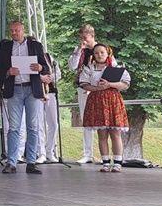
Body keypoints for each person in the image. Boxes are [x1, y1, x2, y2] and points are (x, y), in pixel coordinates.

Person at [0, 20, 51, 175]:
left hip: (32, 89)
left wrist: (40, 67)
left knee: (33, 126)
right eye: (12, 31)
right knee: (13, 127)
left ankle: (31, 162)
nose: (14, 33)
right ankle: (11, 162)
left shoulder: (35, 45)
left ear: (23, 30)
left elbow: (45, 67)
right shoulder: (6, 47)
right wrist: (8, 72)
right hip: (14, 89)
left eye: (17, 30)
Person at [79, 43, 130, 172]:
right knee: (102, 134)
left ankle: (117, 163)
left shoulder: (115, 68)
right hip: (97, 101)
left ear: (107, 53)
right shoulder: (89, 68)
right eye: (96, 53)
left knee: (115, 133)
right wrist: (97, 88)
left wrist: (109, 84)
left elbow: (125, 84)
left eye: (102, 52)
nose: (99, 55)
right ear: (93, 55)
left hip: (112, 100)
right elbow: (84, 84)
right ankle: (105, 163)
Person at [68, 24, 98, 163]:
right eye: (81, 37)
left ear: (92, 35)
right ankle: (88, 154)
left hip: (99, 88)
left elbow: (111, 65)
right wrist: (79, 50)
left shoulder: (101, 49)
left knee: (101, 120)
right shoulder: (79, 50)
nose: (83, 40)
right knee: (86, 119)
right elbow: (72, 66)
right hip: (83, 87)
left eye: (85, 37)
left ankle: (104, 154)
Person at [37, 51, 61, 163]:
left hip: (50, 92)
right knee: (39, 124)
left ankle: (49, 152)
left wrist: (49, 78)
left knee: (54, 124)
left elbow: (58, 73)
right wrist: (40, 78)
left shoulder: (48, 57)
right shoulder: (30, 58)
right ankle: (41, 153)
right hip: (37, 94)